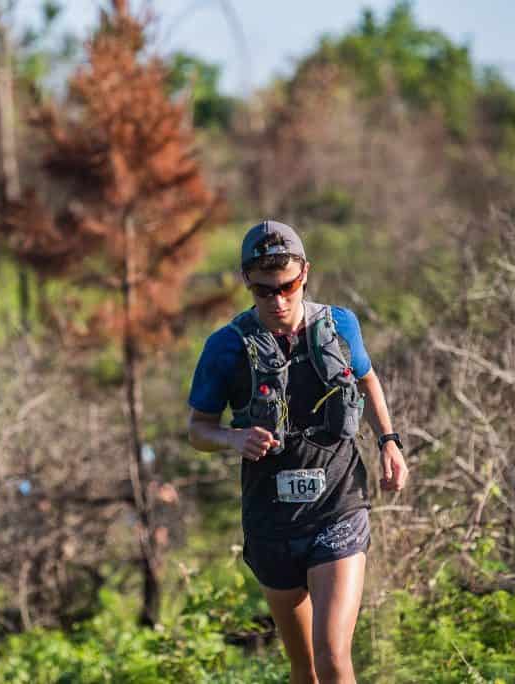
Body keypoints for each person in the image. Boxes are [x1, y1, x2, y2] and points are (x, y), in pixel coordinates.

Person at [186, 220, 408, 684]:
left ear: (305, 273)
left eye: (288, 286)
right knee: (304, 668)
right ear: (247, 280)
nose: (279, 300)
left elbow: (366, 379)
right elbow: (197, 429)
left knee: (331, 656)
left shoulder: (340, 324)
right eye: (266, 290)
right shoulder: (225, 348)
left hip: (338, 508)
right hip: (272, 521)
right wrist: (233, 438)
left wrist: (389, 441)